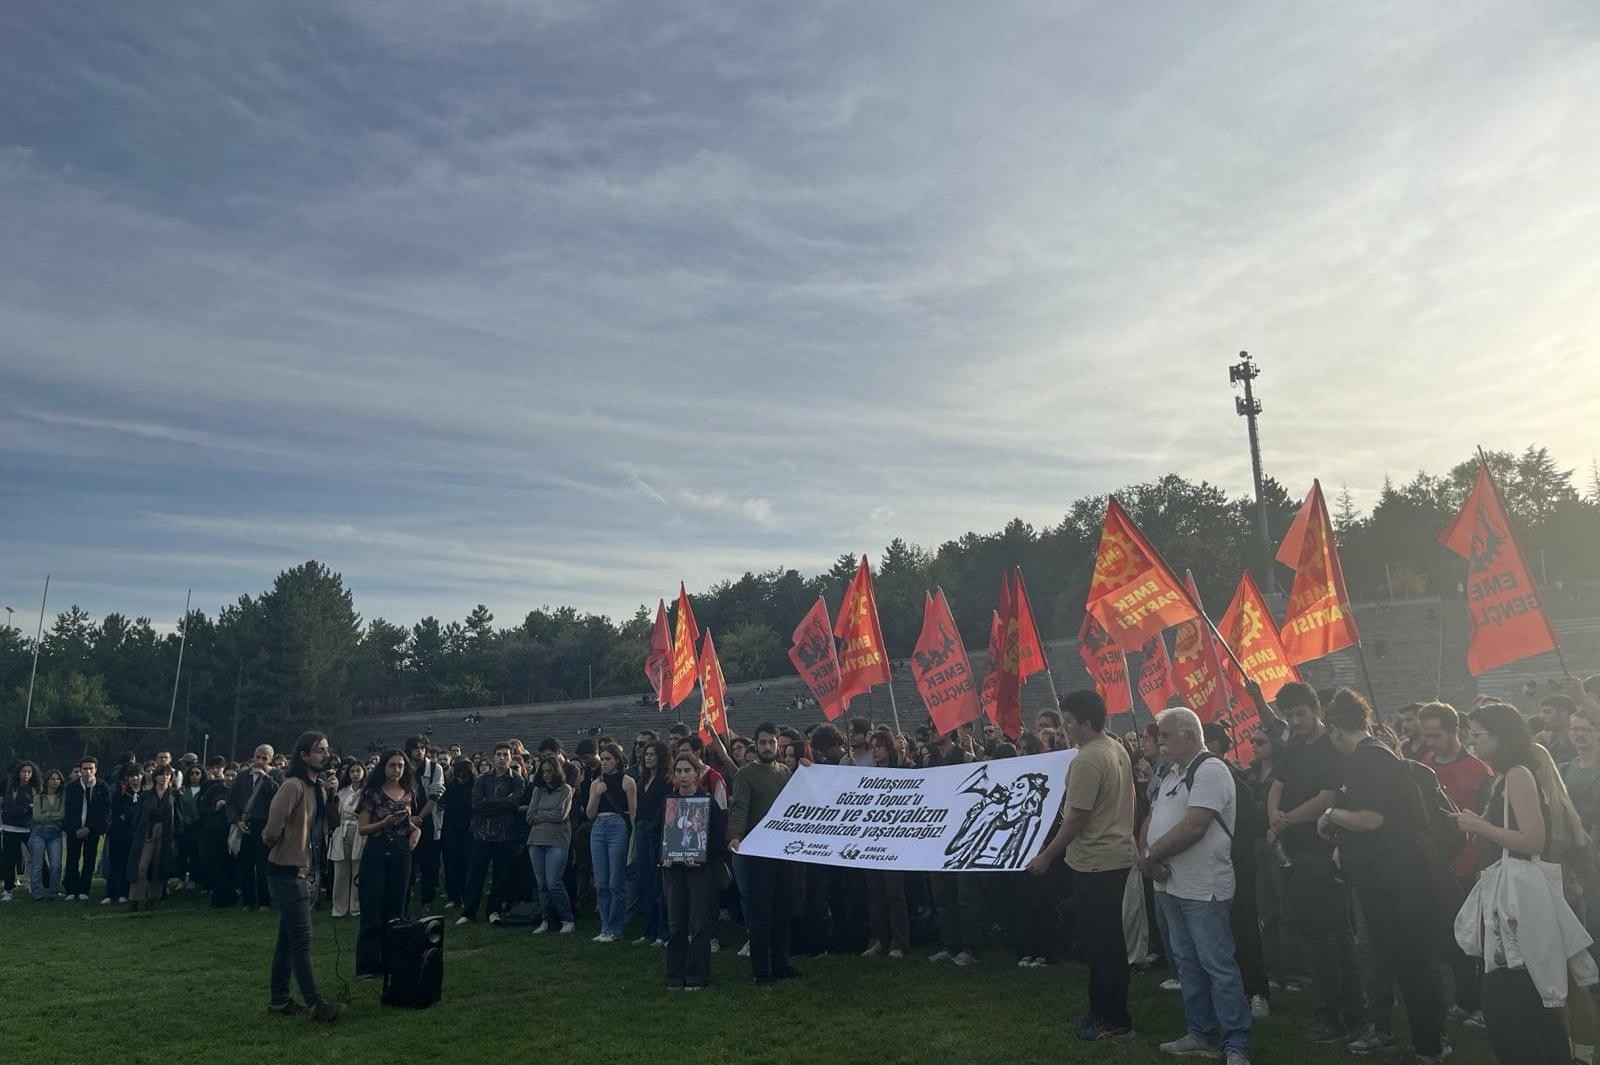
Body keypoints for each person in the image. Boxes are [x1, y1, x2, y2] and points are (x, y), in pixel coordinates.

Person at [1315, 689, 1446, 1064]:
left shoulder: (1364, 759)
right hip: (1398, 875)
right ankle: (1431, 1040)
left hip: (1391, 880)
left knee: (1409, 963)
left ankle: (1428, 1047)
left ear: (1337, 729)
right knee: (1413, 961)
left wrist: (1331, 816)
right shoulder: (1382, 754)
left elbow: (1372, 818)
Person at [1451, 703, 1579, 1064]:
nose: (1471, 741)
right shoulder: (1507, 775)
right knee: (1526, 1002)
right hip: (1510, 897)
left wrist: (1480, 826)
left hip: (1516, 903)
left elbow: (1532, 840)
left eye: (1478, 734)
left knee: (1508, 1004)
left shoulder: (1518, 775)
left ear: (1501, 736)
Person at [1139, 707, 1251, 1065]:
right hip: (1171, 886)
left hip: (1203, 887)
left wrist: (1151, 854)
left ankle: (1236, 1043)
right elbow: (1152, 816)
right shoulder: (1171, 772)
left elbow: (1195, 826)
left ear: (1189, 734)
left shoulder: (1211, 770)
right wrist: (1146, 855)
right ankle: (1201, 1033)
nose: (1160, 742)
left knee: (1218, 964)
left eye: (1166, 735)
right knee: (1187, 963)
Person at [1027, 690, 1137, 1043]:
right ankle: (1101, 1010)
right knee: (1104, 941)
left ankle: (1114, 1019)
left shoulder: (1087, 760)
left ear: (1086, 723)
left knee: (1103, 944)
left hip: (1096, 861)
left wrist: (1046, 856)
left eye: (1070, 722)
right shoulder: (1116, 747)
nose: (1066, 729)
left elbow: (1074, 819)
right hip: (1113, 855)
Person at [1267, 682, 1361, 1043]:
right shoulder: (1293, 743)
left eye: (1300, 713)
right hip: (1293, 847)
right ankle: (1346, 1007)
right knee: (1324, 931)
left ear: (1315, 709)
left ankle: (1335, 1014)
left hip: (1320, 849)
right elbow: (1278, 782)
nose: (1295, 720)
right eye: (1289, 715)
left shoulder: (1330, 746)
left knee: (1324, 933)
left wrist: (1284, 820)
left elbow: (1328, 797)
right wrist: (1275, 817)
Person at [261, 730, 341, 1021]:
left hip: (307, 872)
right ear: (304, 755)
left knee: (287, 939)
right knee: (301, 940)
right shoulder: (292, 786)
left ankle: (280, 1001)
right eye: (320, 750)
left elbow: (333, 823)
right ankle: (315, 1003)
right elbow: (270, 831)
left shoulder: (319, 788)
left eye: (327, 749)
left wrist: (332, 796)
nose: (325, 754)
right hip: (287, 872)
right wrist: (286, 847)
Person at [729, 721, 797, 985]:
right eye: (762, 742)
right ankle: (761, 970)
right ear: (755, 745)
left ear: (778, 744)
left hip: (783, 851)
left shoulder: (785, 773)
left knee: (782, 909)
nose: (767, 746)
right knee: (761, 913)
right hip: (758, 853)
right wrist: (735, 835)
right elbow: (740, 808)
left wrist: (806, 769)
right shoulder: (745, 775)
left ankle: (781, 964)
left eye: (771, 742)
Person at [662, 752, 727, 990]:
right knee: (676, 923)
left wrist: (702, 856)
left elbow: (719, 840)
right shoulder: (668, 801)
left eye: (687, 771)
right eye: (678, 771)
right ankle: (675, 975)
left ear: (697, 774)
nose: (683, 776)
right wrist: (664, 858)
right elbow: (658, 836)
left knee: (699, 924)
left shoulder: (709, 803)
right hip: (673, 871)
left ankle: (696, 974)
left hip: (700, 870)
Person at [356, 749, 421, 980]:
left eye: (400, 766)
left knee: (397, 907)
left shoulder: (409, 792)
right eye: (392, 765)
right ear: (383, 767)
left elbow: (409, 821)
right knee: (372, 907)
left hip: (401, 852)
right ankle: (368, 965)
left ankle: (393, 960)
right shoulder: (371, 794)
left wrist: (415, 830)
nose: (396, 770)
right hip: (376, 850)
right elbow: (362, 828)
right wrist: (383, 822)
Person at [458, 742, 524, 926]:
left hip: (505, 836)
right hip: (482, 834)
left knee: (500, 876)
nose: (502, 758)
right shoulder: (482, 779)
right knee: (475, 875)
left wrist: (491, 802)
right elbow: (477, 805)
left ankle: (493, 910)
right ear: (493, 756)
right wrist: (503, 803)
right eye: (499, 754)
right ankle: (469, 912)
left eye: (506, 754)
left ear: (511, 757)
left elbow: (515, 803)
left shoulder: (517, 780)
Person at [862, 728, 911, 960]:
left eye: (877, 746)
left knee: (894, 894)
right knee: (874, 893)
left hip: (895, 842)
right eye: (871, 747)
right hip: (871, 840)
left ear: (888, 747)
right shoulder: (867, 773)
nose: (873, 751)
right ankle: (881, 939)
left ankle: (899, 941)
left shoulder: (902, 770)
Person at [586, 741, 638, 943]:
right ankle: (605, 925)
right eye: (603, 759)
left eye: (608, 759)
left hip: (618, 827)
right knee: (601, 882)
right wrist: (597, 794)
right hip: (598, 826)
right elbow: (590, 814)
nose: (604, 763)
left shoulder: (628, 782)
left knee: (616, 880)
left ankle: (616, 927)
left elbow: (633, 812)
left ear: (617, 760)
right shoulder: (595, 783)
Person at [526, 753, 575, 934]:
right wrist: (546, 816)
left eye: (549, 771)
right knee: (542, 884)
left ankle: (567, 918)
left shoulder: (566, 790)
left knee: (554, 882)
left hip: (557, 840)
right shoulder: (537, 790)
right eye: (543, 771)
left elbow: (560, 815)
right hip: (536, 840)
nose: (546, 775)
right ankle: (546, 920)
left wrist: (541, 816)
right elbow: (529, 816)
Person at [227, 745, 280, 912]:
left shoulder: (276, 775)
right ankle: (247, 901)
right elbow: (231, 802)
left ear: (270, 759)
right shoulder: (242, 776)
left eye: (264, 758)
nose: (260, 761)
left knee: (263, 865)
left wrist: (267, 779)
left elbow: (280, 797)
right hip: (244, 824)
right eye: (258, 757)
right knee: (245, 865)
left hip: (264, 825)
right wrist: (236, 821)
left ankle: (264, 901)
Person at [632, 740, 671, 946]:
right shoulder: (642, 779)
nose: (648, 757)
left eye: (653, 754)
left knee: (658, 884)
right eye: (646, 754)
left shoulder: (666, 781)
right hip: (641, 828)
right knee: (645, 881)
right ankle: (650, 930)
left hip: (658, 832)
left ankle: (663, 932)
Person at [127, 763, 180, 911]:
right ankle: (136, 898)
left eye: (167, 775)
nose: (164, 778)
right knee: (141, 866)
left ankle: (153, 897)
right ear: (155, 777)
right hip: (147, 832)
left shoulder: (174, 795)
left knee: (159, 865)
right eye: (161, 775)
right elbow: (137, 816)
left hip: (166, 833)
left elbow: (179, 817)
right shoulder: (146, 795)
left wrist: (177, 835)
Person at [407, 734, 446, 913]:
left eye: (423, 748)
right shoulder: (404, 768)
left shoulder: (435, 768)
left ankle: (427, 901)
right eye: (416, 748)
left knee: (429, 863)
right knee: (407, 861)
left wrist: (419, 817)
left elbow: (435, 796)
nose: (420, 752)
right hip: (405, 820)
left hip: (428, 821)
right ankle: (405, 898)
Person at [63, 755, 111, 902]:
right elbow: (68, 810)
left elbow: (104, 811)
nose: (88, 771)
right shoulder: (71, 787)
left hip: (93, 830)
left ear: (96, 769)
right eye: (85, 769)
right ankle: (72, 890)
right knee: (72, 860)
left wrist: (89, 828)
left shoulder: (102, 787)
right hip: (74, 830)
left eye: (91, 768)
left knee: (89, 860)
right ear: (81, 770)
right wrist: (76, 828)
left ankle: (84, 889)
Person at [327, 762, 366, 918]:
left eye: (358, 771)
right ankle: (339, 908)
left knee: (358, 870)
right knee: (340, 872)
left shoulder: (367, 792)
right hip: (342, 831)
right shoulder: (342, 792)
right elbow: (337, 812)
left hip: (359, 831)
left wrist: (349, 810)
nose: (355, 774)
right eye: (352, 771)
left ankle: (355, 907)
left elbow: (361, 813)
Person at [105, 765, 145, 905]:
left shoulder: (145, 794)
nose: (135, 778)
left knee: (130, 863)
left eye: (137, 775)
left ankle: (124, 892)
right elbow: (117, 810)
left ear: (142, 776)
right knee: (115, 863)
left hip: (135, 835)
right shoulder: (121, 792)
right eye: (131, 776)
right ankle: (110, 894)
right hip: (118, 833)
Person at [441, 758, 475, 910]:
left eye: (464, 776)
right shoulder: (451, 787)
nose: (461, 779)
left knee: (467, 864)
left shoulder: (474, 787)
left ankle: (466, 895)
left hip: (469, 830)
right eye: (459, 776)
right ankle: (453, 896)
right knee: (452, 863)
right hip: (452, 829)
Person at [28, 767, 66, 901]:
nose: (55, 781)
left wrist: (47, 814)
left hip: (55, 833)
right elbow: (37, 817)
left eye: (58, 779)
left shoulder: (62, 798)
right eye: (52, 779)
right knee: (37, 864)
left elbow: (62, 814)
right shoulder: (39, 797)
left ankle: (54, 892)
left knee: (56, 865)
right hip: (38, 832)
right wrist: (52, 815)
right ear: (47, 781)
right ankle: (37, 894)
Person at [1, 761, 37, 902]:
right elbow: (9, 808)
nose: (26, 774)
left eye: (29, 772)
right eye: (23, 771)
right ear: (18, 772)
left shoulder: (35, 787)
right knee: (9, 861)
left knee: (35, 858)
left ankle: (37, 885)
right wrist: (27, 807)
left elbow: (37, 807)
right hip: (10, 828)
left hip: (29, 829)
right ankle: (8, 890)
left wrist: (24, 808)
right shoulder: (7, 786)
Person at [174, 764, 206, 891]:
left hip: (198, 827)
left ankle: (193, 879)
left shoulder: (205, 790)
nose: (194, 776)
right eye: (192, 774)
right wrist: (184, 820)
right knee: (182, 854)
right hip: (183, 827)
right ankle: (181, 879)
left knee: (195, 854)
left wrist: (196, 820)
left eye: (197, 773)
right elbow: (178, 808)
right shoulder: (182, 790)